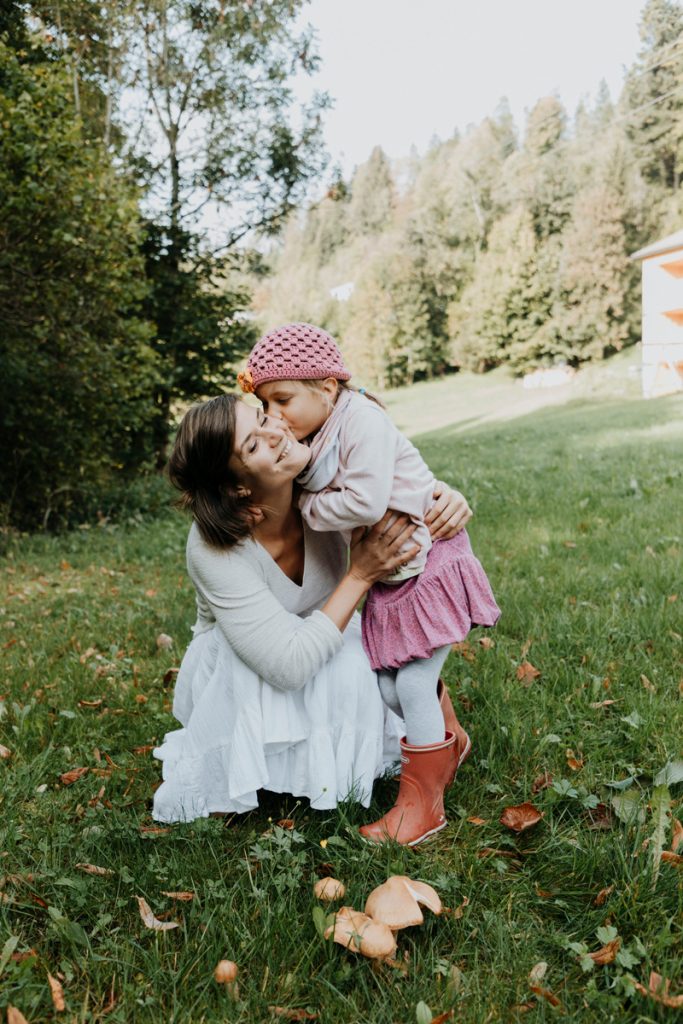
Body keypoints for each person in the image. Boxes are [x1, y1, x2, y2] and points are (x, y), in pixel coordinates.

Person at [152, 393, 470, 824]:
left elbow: (395, 480)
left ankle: (446, 739)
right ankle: (249, 767)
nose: (276, 431)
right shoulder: (213, 549)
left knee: (363, 659)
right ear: (238, 487)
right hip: (242, 664)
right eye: (253, 444)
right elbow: (286, 665)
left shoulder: (328, 483)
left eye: (264, 416)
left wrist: (442, 497)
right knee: (279, 664)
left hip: (323, 626)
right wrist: (359, 574)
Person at [241, 323, 500, 846]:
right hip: (395, 572)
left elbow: (363, 501)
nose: (276, 417)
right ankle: (450, 746)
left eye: (284, 399)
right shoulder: (319, 432)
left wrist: (308, 508)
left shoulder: (363, 421)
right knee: (389, 686)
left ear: (328, 388)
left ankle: (422, 807)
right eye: (266, 405)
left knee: (408, 683)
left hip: (426, 560)